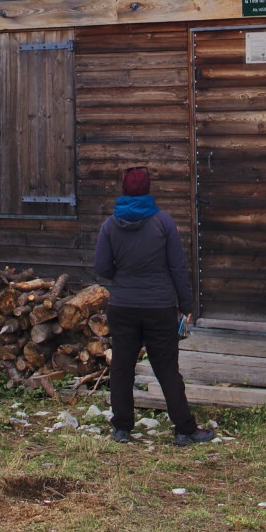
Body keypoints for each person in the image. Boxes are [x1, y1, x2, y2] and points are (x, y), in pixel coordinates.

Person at [93, 166, 213, 446]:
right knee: (167, 369)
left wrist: (122, 277)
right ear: (148, 189)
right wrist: (186, 305)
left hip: (122, 306)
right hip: (159, 308)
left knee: (122, 366)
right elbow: (177, 267)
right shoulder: (163, 222)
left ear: (123, 189)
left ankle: (121, 427)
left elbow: (101, 267)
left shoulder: (110, 225)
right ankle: (185, 429)